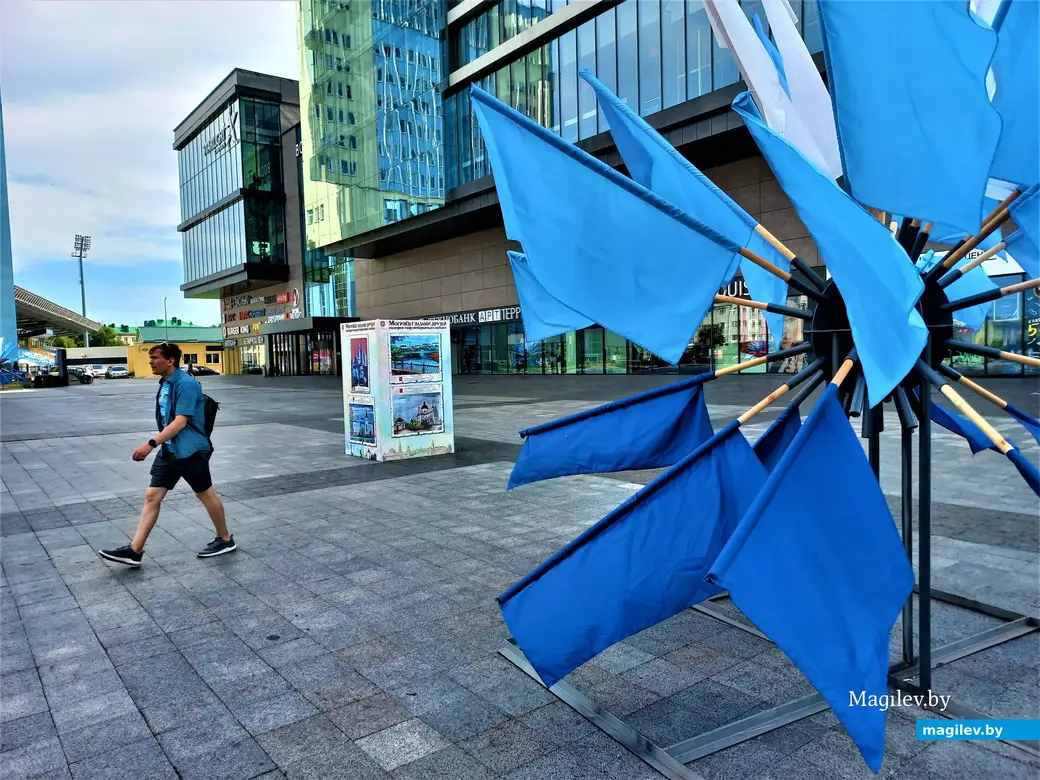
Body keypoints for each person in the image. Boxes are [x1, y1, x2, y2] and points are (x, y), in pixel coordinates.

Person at [98, 343, 235, 566]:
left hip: (191, 451)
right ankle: (135, 550)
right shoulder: (165, 383)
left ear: (170, 360)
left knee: (204, 494)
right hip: (169, 450)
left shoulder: (186, 384)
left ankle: (225, 539)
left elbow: (180, 421)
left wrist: (150, 444)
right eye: (150, 358)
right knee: (153, 496)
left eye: (155, 358)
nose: (150, 361)